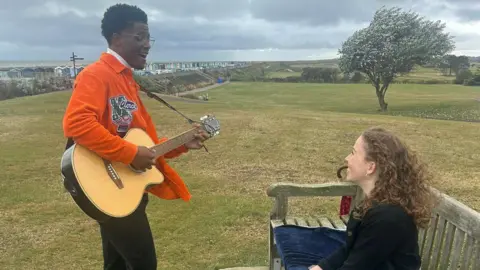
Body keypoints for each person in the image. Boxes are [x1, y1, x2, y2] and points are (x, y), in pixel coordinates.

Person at [62, 4, 209, 270]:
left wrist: (182, 145)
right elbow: (77, 124)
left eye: (148, 37)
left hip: (121, 188)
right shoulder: (97, 75)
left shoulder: (127, 81)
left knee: (117, 264)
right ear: (116, 37)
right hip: (107, 183)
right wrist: (130, 154)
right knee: (143, 264)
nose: (147, 45)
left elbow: (143, 145)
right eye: (139, 37)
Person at [308, 127, 438, 270]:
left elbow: (356, 265)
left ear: (370, 167)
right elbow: (351, 249)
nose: (347, 158)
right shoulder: (378, 201)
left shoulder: (387, 217)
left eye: (353, 153)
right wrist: (321, 267)